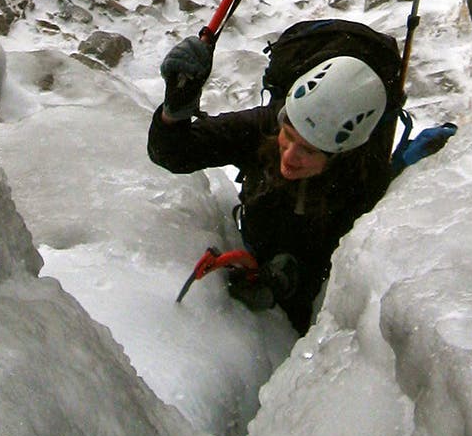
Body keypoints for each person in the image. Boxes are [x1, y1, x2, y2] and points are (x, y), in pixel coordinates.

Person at [147, 33, 393, 333]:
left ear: (340, 155)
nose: (289, 157)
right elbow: (173, 155)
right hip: (258, 245)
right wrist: (175, 110)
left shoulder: (364, 182)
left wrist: (292, 280)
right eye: (288, 137)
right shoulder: (264, 126)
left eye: (308, 151)